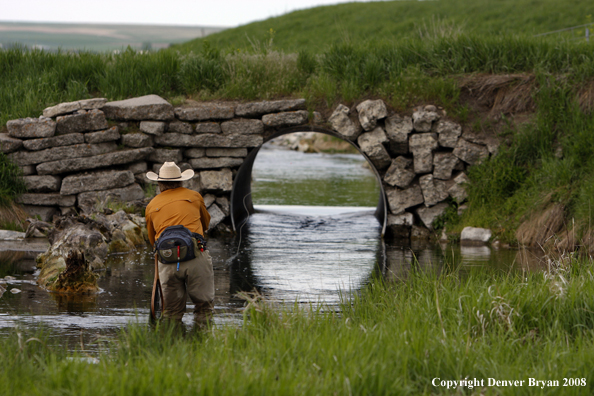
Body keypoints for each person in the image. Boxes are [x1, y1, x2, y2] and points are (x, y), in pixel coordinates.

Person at [145, 161, 213, 323]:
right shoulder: (194, 197)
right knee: (204, 309)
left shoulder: (151, 205)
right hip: (195, 256)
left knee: (170, 313)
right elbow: (206, 224)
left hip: (167, 260)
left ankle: (171, 345)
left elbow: (151, 238)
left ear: (160, 183)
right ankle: (204, 344)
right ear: (181, 181)